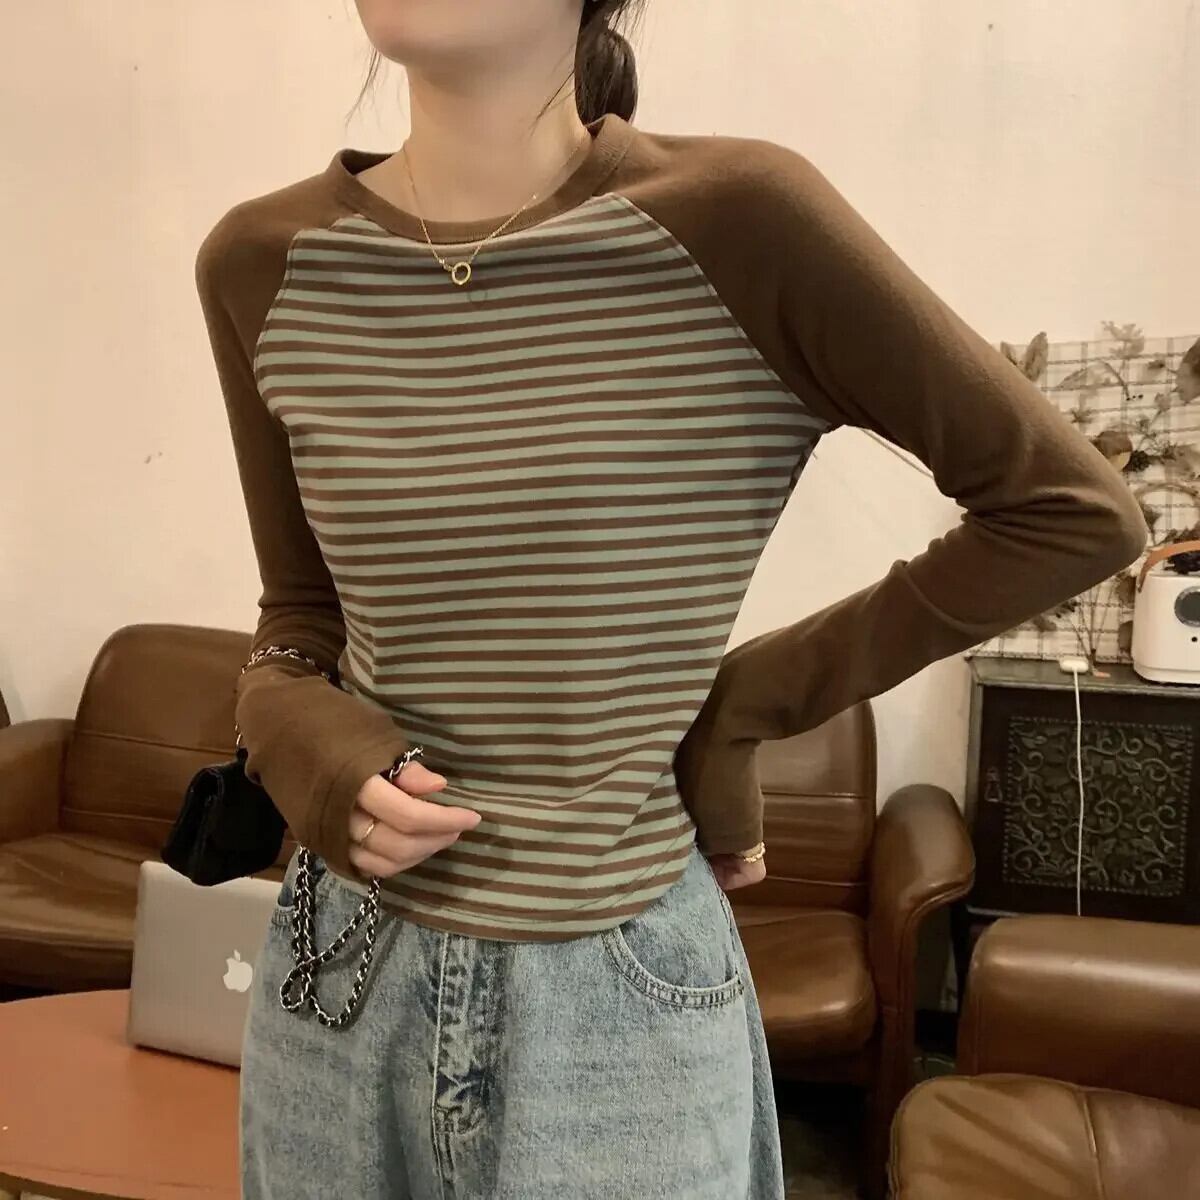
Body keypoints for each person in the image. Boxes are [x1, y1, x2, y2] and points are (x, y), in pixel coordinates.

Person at [193, 1, 1149, 1196]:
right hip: (338, 972)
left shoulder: (742, 221)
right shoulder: (261, 262)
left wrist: (742, 704)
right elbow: (298, 615)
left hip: (617, 1001)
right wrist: (287, 722)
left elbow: (1070, 512)